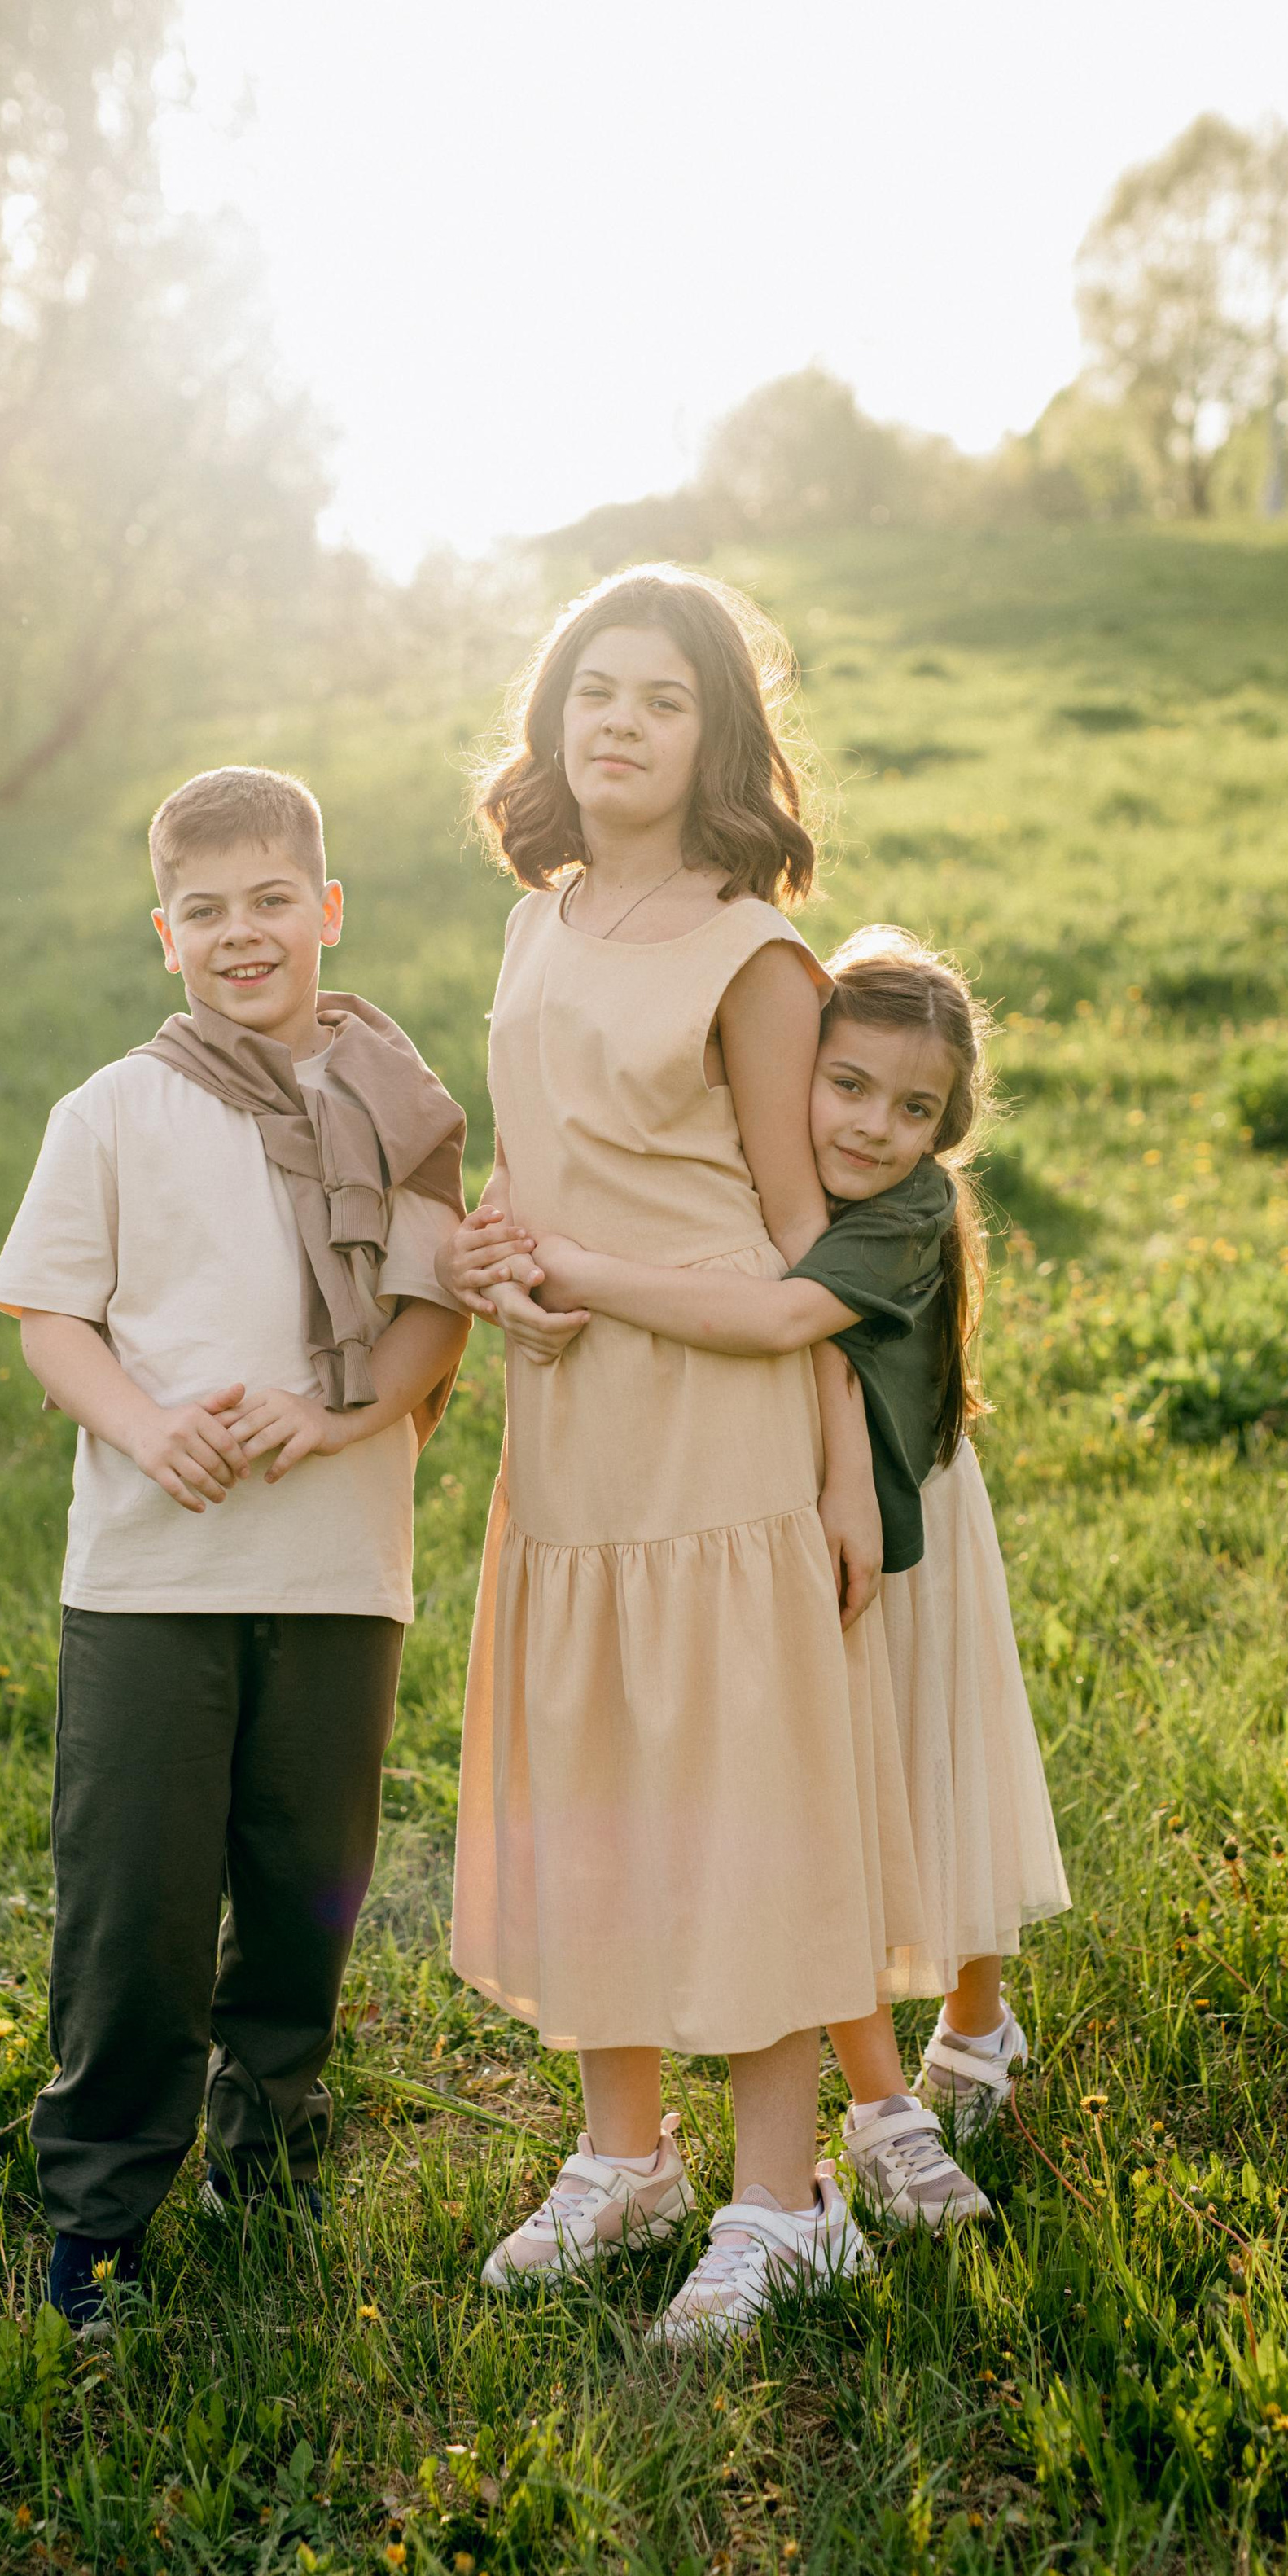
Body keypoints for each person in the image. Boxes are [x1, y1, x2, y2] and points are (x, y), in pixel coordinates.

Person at [441, 565, 918, 2346]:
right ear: (551, 727)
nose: (619, 724)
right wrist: (493, 1252)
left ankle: (785, 2202)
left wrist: (847, 1473)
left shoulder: (754, 952)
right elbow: (533, 1171)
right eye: (590, 694)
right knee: (594, 1779)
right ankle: (622, 2154)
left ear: (718, 731)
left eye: (658, 697)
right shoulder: (534, 924)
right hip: (571, 1425)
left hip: (721, 1418)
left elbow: (812, 1249)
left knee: (736, 1801)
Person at [0, 766, 469, 2326]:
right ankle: (102, 2209)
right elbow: (51, 1312)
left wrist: (330, 1422)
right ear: (164, 935)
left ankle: (273, 2166)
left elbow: (427, 1325)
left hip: (336, 1567)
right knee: (134, 1898)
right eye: (207, 911)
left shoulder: (396, 1110)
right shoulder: (117, 1108)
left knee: (302, 1885)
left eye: (273, 902)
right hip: (153, 1574)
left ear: (327, 911)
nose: (242, 934)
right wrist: (143, 1424)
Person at [523, 927, 1071, 2232]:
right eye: (849, 1086)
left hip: (914, 1523)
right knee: (836, 1808)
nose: (878, 1126)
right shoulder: (748, 1173)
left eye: (917, 1106)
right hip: (805, 1533)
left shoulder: (912, 1209)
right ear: (794, 1075)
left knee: (941, 1776)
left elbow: (781, 1318)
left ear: (950, 1125)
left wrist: (575, 1272)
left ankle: (971, 2034)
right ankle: (885, 2105)